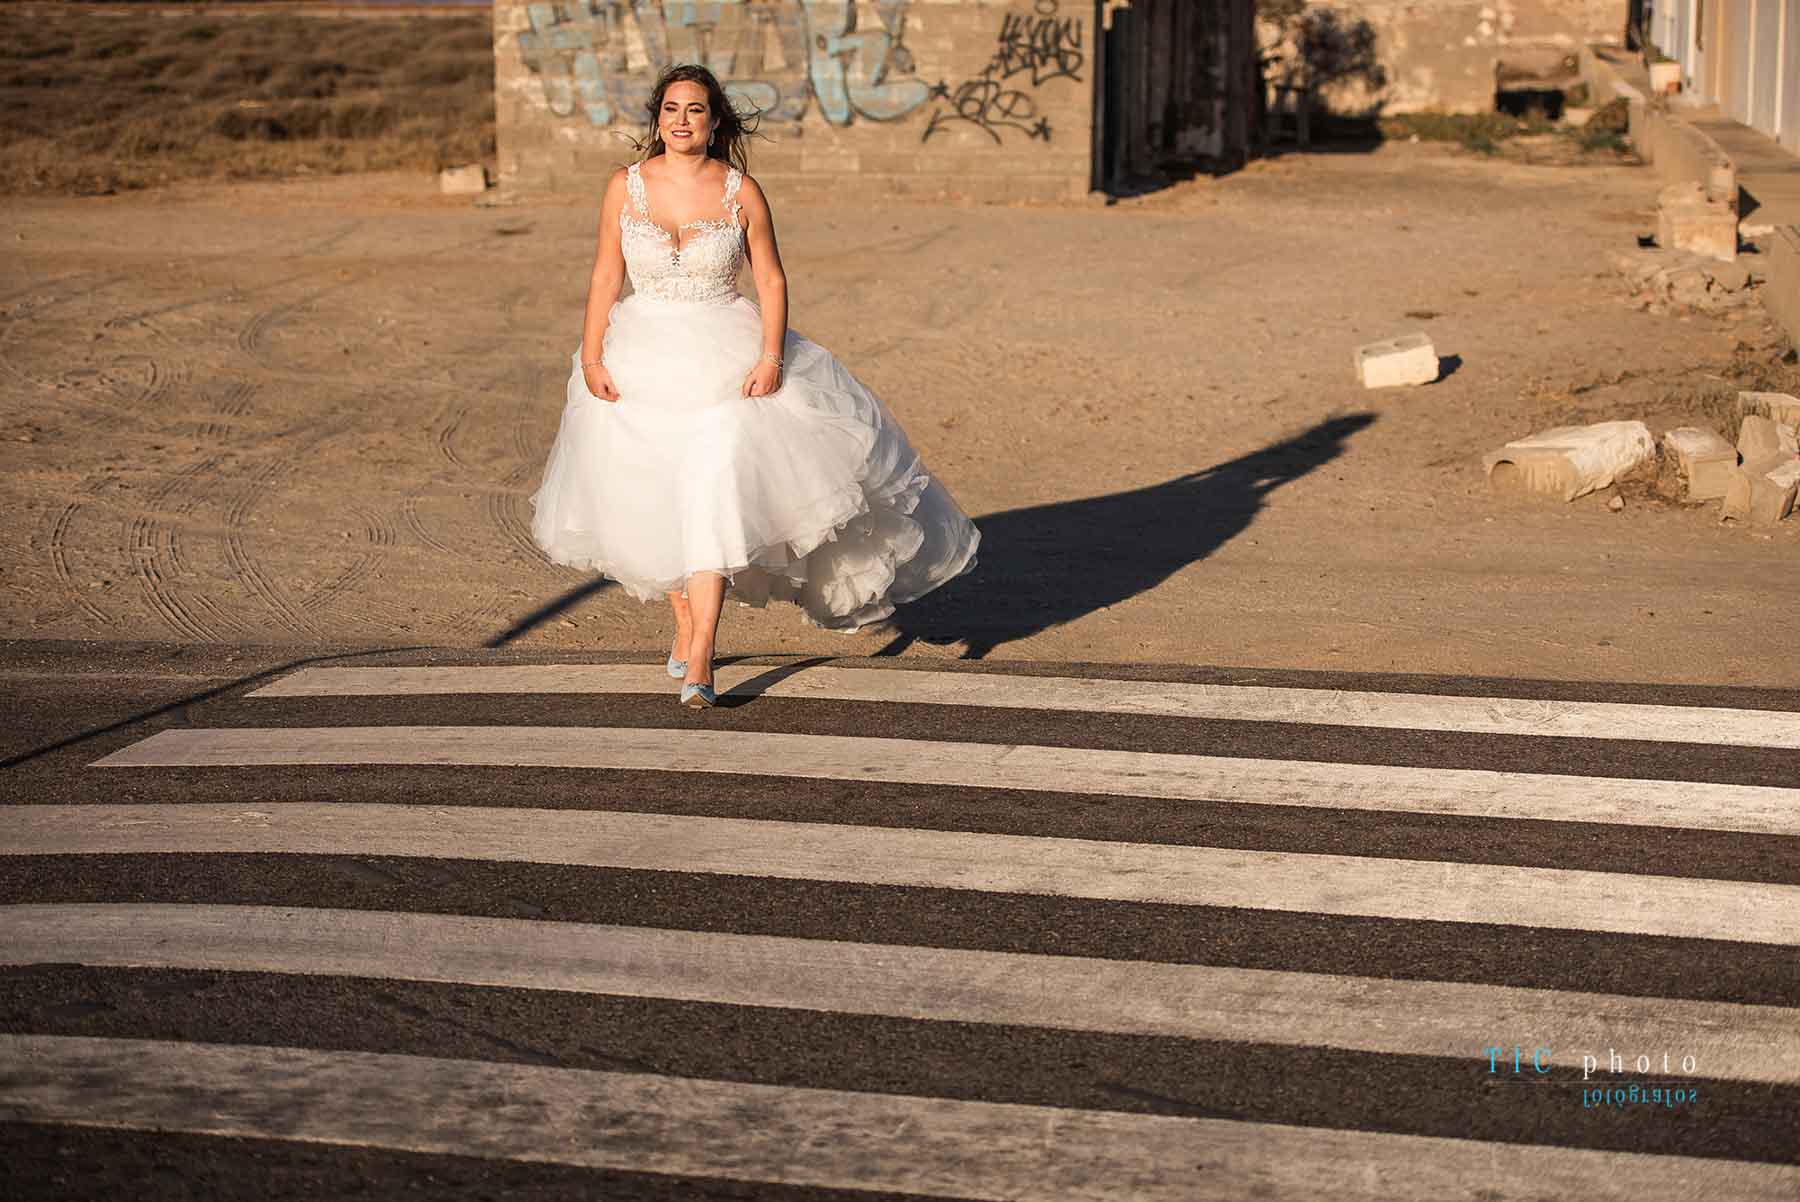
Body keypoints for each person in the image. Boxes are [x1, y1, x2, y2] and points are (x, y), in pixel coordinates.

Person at [529, 64, 981, 708]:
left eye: (695, 110)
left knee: (711, 492)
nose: (682, 121)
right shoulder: (623, 188)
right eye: (671, 109)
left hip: (727, 359)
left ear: (716, 123)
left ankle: (703, 656)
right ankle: (686, 626)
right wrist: (593, 354)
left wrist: (771, 355)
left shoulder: (741, 190)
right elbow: (606, 274)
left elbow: (770, 278)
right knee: (657, 497)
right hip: (639, 358)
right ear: (657, 120)